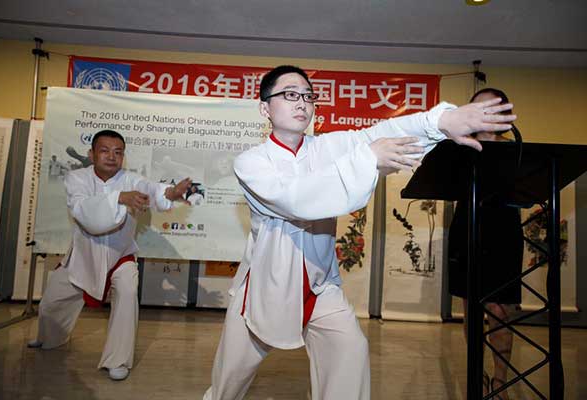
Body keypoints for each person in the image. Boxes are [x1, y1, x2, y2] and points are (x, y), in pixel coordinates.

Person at [203, 65, 516, 400]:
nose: (302, 103)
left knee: (350, 352)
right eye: (290, 95)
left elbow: (378, 132)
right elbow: (295, 199)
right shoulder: (251, 162)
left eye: (308, 96)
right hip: (264, 288)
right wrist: (367, 159)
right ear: (265, 108)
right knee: (228, 384)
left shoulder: (326, 147)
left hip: (319, 287)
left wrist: (437, 122)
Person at [28, 130, 193, 381]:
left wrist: (169, 194)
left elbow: (150, 189)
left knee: (127, 296)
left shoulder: (131, 179)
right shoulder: (76, 178)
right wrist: (119, 199)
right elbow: (86, 213)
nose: (111, 157)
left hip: (121, 256)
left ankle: (118, 361)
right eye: (104, 151)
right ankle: (49, 337)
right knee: (52, 302)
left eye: (118, 152)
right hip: (82, 255)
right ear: (91, 154)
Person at [448, 88, 521, 400]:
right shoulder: (458, 149)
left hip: (503, 232)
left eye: (490, 108)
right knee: (472, 308)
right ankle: (477, 374)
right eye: (476, 108)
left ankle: (500, 381)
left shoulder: (516, 150)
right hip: (467, 229)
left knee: (500, 309)